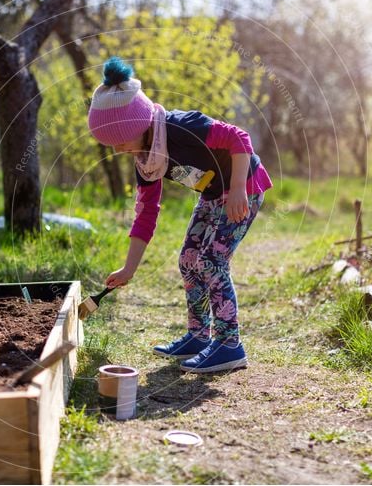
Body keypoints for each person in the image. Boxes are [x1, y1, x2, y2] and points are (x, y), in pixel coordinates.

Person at [87, 56, 273, 373]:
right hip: (214, 194)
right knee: (189, 259)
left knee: (212, 262)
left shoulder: (183, 128)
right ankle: (199, 336)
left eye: (120, 141)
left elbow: (239, 138)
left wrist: (239, 188)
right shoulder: (147, 161)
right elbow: (146, 214)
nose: (118, 150)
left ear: (138, 124)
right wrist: (129, 268)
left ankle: (229, 345)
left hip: (246, 187)